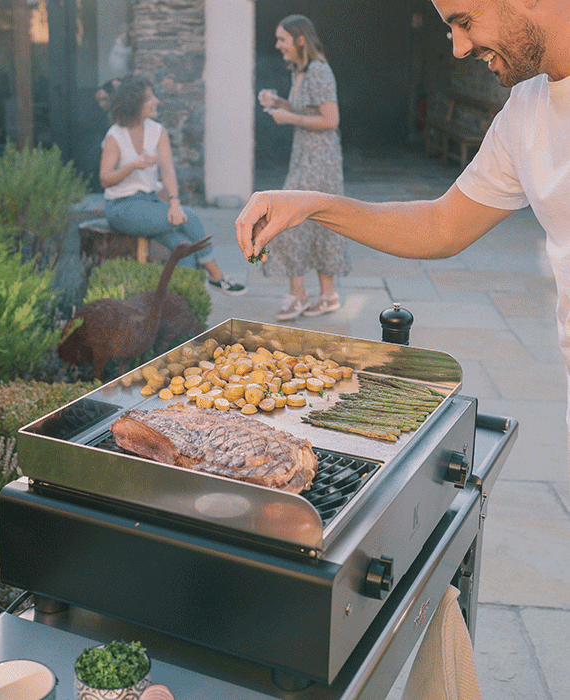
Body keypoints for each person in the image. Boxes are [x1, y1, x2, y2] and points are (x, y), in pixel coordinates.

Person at [237, 0, 570, 472]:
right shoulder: (527, 107)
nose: (457, 48)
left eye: (464, 21)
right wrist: (315, 204)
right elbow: (442, 226)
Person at [100, 74, 246, 295]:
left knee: (183, 248)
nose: (156, 101)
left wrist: (175, 202)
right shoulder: (115, 135)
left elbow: (167, 170)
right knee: (192, 217)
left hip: (150, 203)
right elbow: (105, 179)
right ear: (134, 103)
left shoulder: (157, 131)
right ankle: (217, 275)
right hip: (122, 208)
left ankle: (181, 304)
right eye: (149, 97)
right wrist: (133, 165)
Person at [257, 14, 350, 321]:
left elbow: (331, 120)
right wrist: (279, 102)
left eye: (282, 39)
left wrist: (291, 118)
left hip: (321, 160)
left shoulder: (319, 72)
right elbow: (303, 109)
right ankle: (328, 295)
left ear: (299, 40)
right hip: (304, 156)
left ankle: (299, 296)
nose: (277, 44)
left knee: (290, 218)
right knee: (316, 220)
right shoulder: (300, 71)